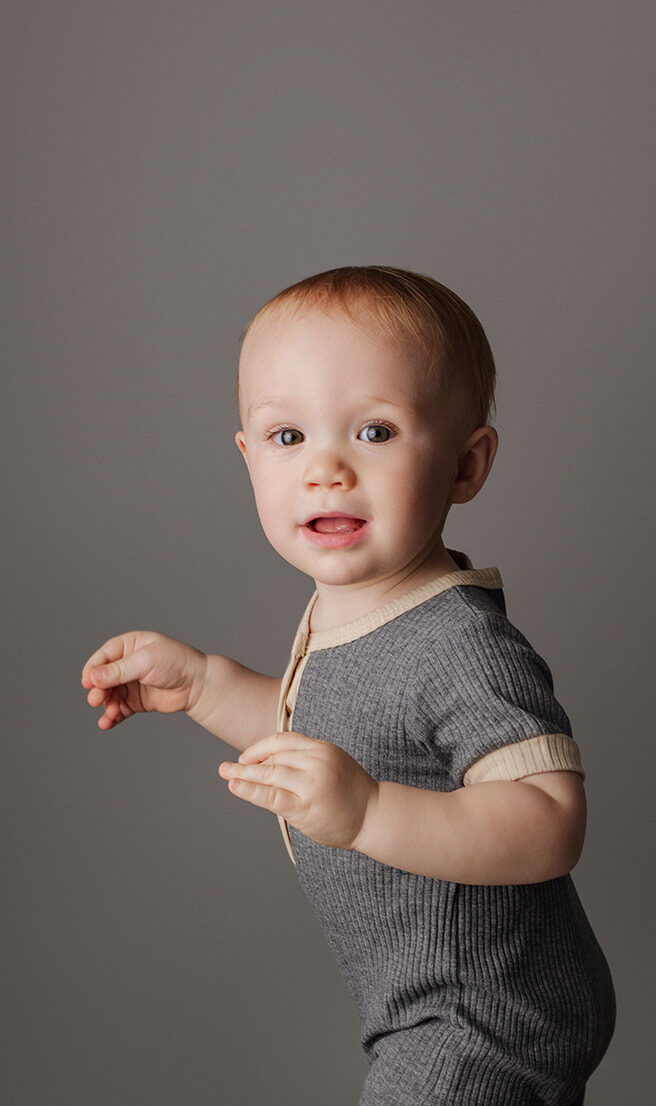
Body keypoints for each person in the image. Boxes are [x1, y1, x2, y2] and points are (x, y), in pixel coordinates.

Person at [80, 267, 615, 1105]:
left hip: (484, 1014)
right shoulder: (348, 609)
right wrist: (208, 686)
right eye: (289, 438)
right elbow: (337, 731)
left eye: (374, 432)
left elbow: (549, 821)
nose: (326, 469)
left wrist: (369, 813)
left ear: (466, 465)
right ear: (248, 457)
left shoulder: (458, 641)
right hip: (416, 1007)